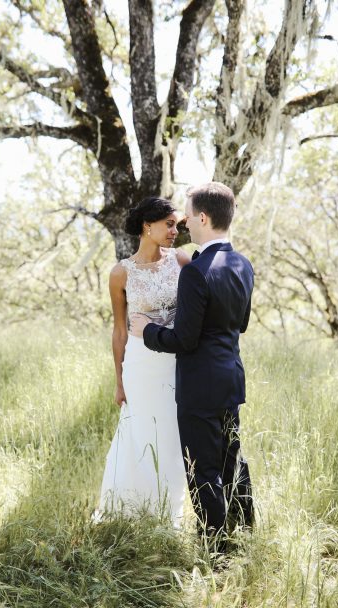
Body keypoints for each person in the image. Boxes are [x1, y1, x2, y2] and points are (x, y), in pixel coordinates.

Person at [130, 182, 254, 551]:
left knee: (203, 470)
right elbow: (241, 323)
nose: (183, 222)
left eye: (187, 214)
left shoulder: (197, 271)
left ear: (202, 217)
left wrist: (148, 330)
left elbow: (183, 340)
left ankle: (216, 550)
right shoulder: (242, 264)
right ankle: (246, 533)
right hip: (231, 377)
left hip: (200, 384)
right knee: (233, 463)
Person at [96, 196, 191, 525]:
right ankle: (128, 513)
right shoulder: (120, 273)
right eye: (168, 224)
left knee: (172, 435)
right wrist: (119, 382)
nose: (174, 230)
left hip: (176, 362)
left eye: (177, 224)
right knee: (138, 434)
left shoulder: (180, 260)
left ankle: (170, 516)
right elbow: (119, 331)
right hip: (140, 367)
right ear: (146, 226)